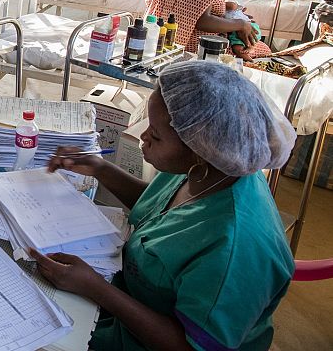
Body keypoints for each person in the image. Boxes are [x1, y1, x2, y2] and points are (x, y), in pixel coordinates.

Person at [35, 61, 295, 351]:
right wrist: (100, 168)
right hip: (124, 302)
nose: (144, 137)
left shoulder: (235, 250)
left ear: (199, 151)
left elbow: (190, 346)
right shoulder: (209, 170)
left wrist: (96, 288)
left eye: (156, 135)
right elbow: (160, 211)